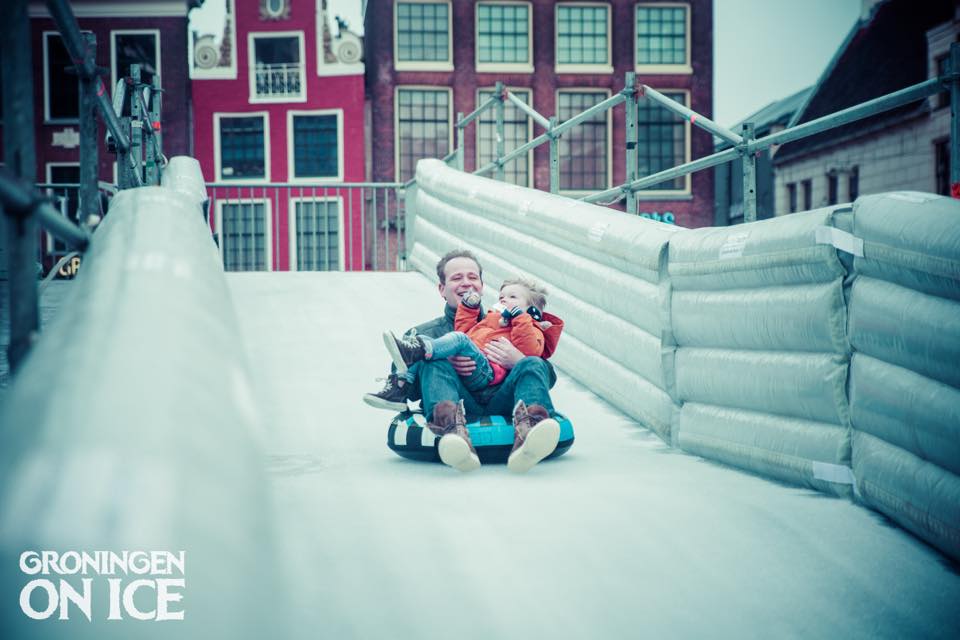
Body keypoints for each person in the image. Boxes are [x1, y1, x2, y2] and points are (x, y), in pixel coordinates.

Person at [363, 250, 565, 474]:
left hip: (503, 399)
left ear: (481, 285)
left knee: (533, 363)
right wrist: (446, 360)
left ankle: (530, 433)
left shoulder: (509, 323)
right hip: (462, 400)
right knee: (434, 360)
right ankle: (454, 436)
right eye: (457, 278)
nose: (466, 283)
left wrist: (519, 360)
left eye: (472, 277)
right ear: (442, 288)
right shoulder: (422, 332)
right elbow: (407, 389)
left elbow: (546, 374)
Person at [381, 276, 563, 393]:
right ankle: (402, 384)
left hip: (488, 371)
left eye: (512, 297)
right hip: (471, 366)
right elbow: (464, 331)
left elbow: (530, 350)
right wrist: (469, 307)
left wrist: (521, 319)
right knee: (428, 340)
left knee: (455, 340)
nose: (504, 300)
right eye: (501, 297)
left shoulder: (531, 326)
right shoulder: (492, 320)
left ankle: (417, 351)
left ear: (532, 310)